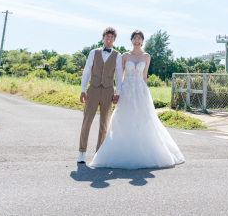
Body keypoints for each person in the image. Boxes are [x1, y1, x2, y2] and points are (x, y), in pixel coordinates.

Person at [89, 30, 184, 169]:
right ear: (131, 40)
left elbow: (144, 76)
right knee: (123, 117)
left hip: (140, 89)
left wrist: (145, 92)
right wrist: (117, 91)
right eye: (135, 38)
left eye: (139, 38)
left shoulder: (146, 56)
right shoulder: (125, 56)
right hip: (126, 89)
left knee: (143, 118)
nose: (137, 40)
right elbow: (119, 75)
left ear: (142, 41)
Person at [77, 27, 124, 164]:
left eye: (111, 37)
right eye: (107, 36)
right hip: (93, 89)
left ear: (114, 39)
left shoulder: (118, 55)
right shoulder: (94, 52)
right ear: (103, 38)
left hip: (108, 91)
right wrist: (82, 90)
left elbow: (118, 75)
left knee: (104, 124)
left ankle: (99, 154)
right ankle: (82, 151)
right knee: (87, 121)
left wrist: (118, 93)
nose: (109, 38)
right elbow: (86, 71)